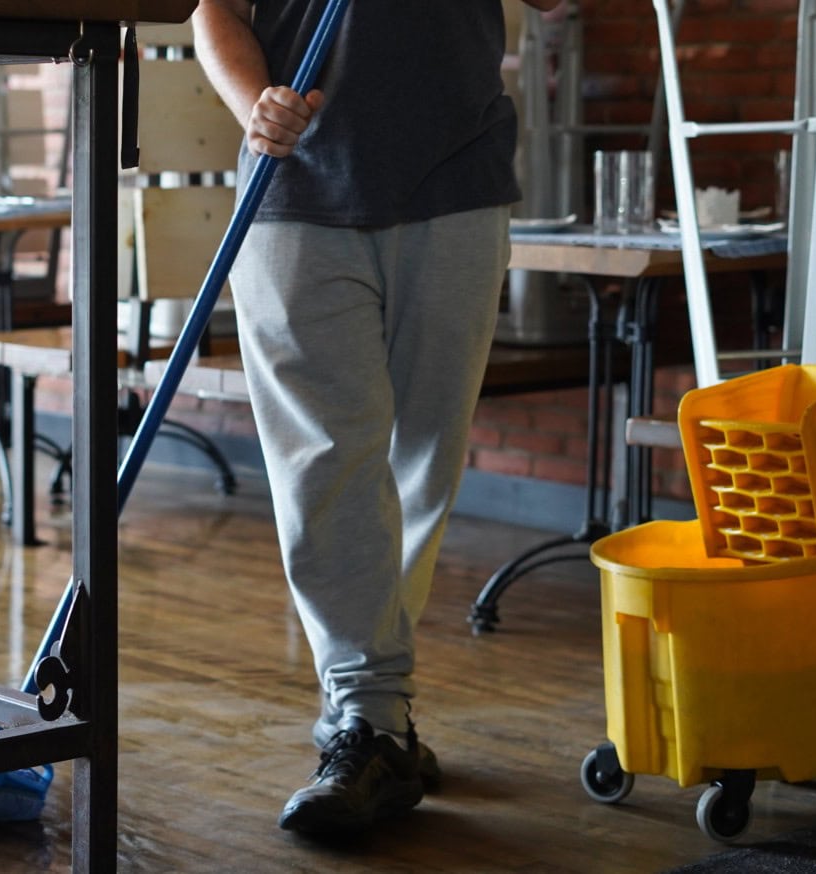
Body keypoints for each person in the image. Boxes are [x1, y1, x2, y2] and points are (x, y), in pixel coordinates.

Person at [192, 0, 560, 835]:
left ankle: (368, 715)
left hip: (456, 180)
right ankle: (371, 711)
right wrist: (256, 104)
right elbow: (216, 7)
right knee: (324, 466)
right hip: (293, 184)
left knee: (422, 458)